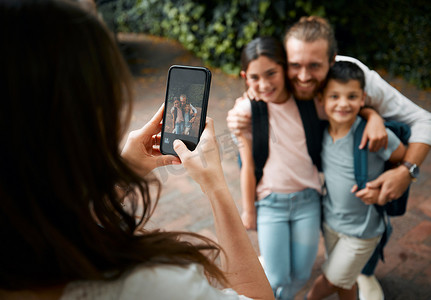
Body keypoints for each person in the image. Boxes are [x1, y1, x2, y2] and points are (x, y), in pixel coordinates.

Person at [0, 1, 274, 299]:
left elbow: (63, 217)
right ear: (86, 120)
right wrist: (216, 187)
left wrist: (123, 173)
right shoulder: (146, 285)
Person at [227, 16, 431, 300]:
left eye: (314, 66)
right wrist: (243, 106)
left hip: (344, 147)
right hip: (281, 153)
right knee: (254, 161)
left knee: (363, 209)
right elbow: (259, 74)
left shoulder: (358, 80)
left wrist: (403, 165)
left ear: (332, 61)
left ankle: (364, 270)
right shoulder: (275, 77)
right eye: (294, 65)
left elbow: (424, 120)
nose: (302, 76)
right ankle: (276, 250)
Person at [306, 61, 406, 300]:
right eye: (334, 96)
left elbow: (401, 160)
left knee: (331, 279)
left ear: (363, 98)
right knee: (345, 280)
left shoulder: (374, 135)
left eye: (352, 96)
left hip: (363, 230)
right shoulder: (321, 130)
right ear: (321, 99)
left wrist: (382, 185)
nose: (343, 103)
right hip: (331, 223)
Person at [232, 36, 321, 300]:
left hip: (308, 201)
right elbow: (247, 166)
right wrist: (249, 210)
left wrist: (372, 116)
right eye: (255, 78)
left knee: (302, 275)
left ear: (285, 68)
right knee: (278, 277)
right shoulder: (247, 111)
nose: (265, 84)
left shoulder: (309, 101)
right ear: (245, 77)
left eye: (271, 73)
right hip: (271, 204)